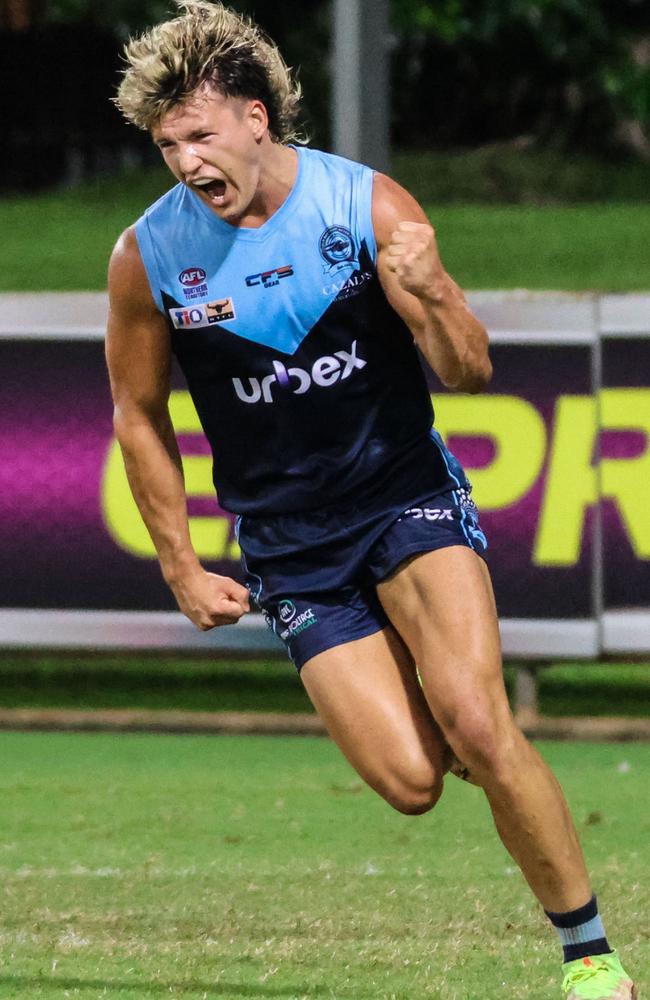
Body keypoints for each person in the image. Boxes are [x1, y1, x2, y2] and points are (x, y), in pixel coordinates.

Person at [106, 3, 636, 997]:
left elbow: (467, 370)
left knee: (480, 725)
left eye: (199, 134)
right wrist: (179, 562)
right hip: (289, 546)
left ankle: (590, 956)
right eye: (168, 143)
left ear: (256, 118)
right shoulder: (148, 256)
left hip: (405, 500)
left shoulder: (365, 208)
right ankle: (433, 684)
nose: (184, 160)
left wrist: (432, 295)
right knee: (410, 783)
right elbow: (138, 413)